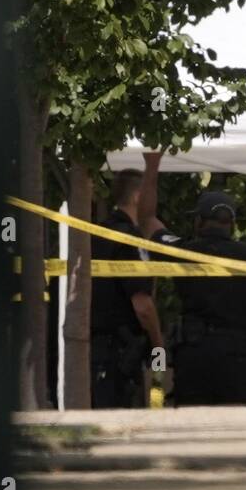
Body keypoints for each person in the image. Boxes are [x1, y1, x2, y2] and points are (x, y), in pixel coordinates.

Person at [137, 152, 246, 405]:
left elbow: (145, 220)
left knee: (194, 432)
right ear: (231, 224)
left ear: (199, 221)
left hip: (195, 359)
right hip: (240, 361)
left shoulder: (181, 250)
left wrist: (152, 164)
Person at [91, 169, 164, 408]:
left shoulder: (98, 232)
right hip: (120, 351)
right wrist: (158, 344)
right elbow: (142, 304)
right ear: (137, 197)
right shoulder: (130, 239)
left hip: (96, 347)